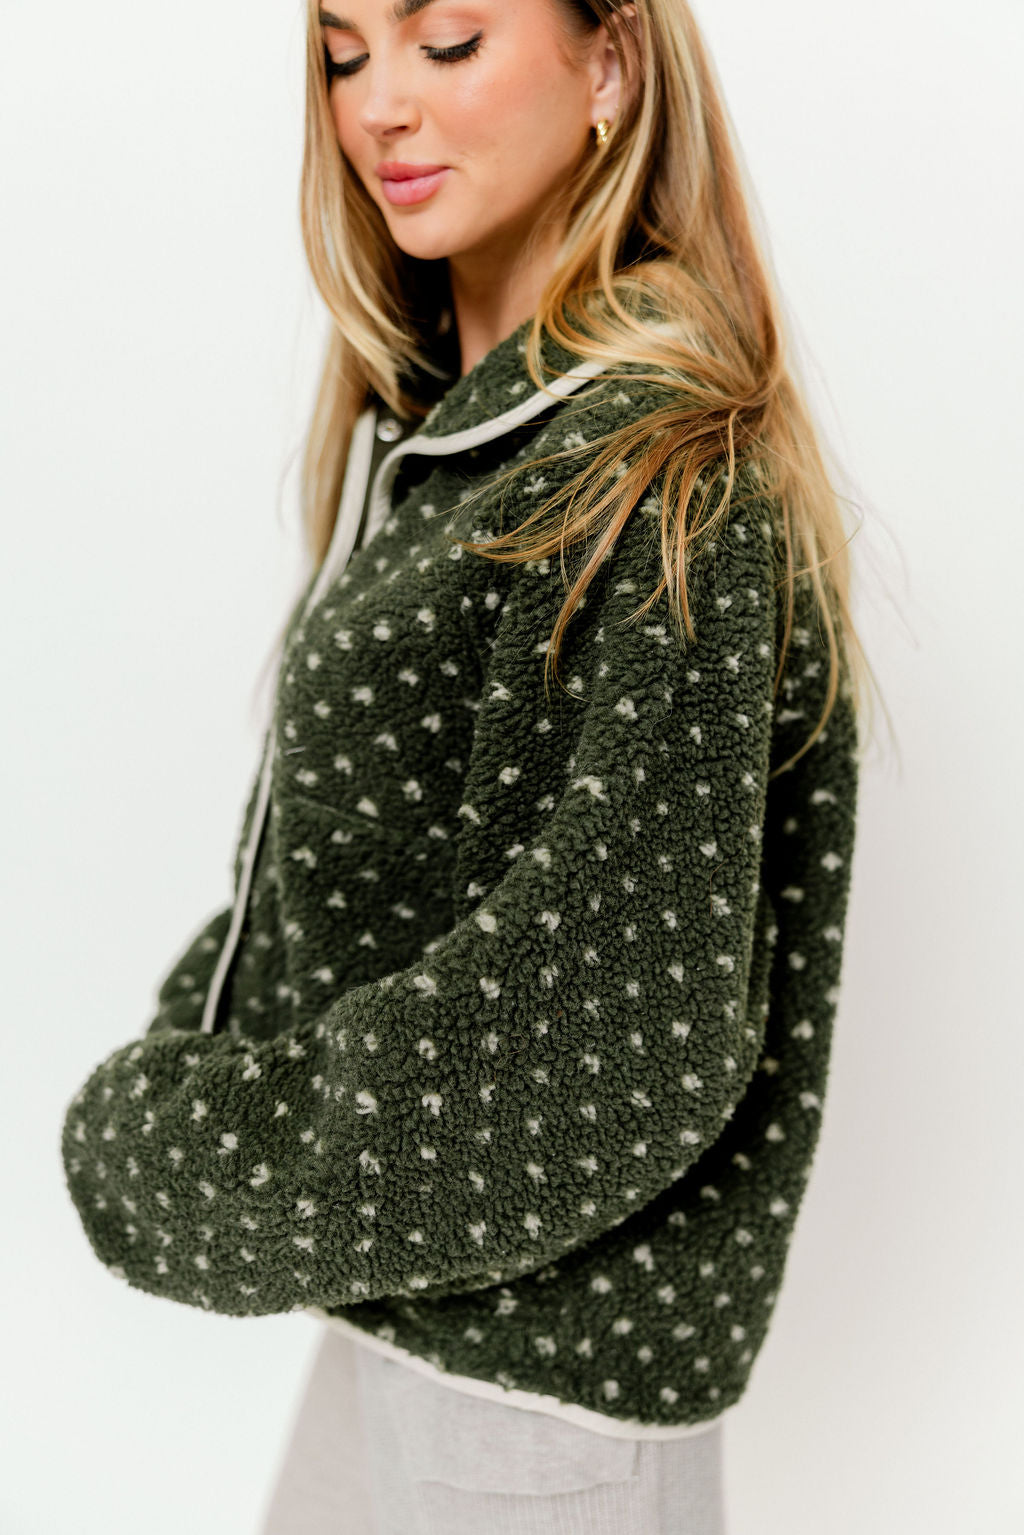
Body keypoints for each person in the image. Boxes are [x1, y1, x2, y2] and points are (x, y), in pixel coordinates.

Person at [60, 0, 871, 1529]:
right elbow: (335, 882)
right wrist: (189, 1061)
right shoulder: (451, 441)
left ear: (610, 60)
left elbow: (615, 1022)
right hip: (411, 1323)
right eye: (344, 51)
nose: (379, 105)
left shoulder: (653, 467)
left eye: (446, 42)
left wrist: (200, 1158)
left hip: (539, 1396)